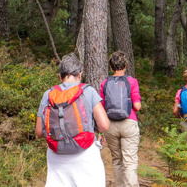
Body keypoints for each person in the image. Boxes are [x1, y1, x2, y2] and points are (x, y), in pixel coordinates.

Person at [35, 54, 110, 187]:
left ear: (60, 76)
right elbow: (104, 125)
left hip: (56, 156)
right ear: (80, 75)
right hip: (85, 153)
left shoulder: (48, 94)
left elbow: (39, 132)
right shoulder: (88, 91)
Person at [100, 51, 142, 187]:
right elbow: (137, 106)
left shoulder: (105, 83)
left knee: (117, 160)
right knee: (129, 161)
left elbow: (102, 107)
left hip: (111, 125)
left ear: (111, 67)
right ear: (125, 65)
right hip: (128, 123)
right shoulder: (132, 81)